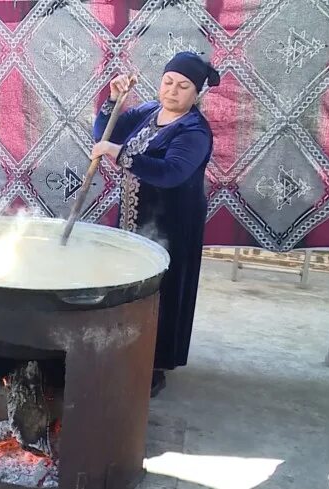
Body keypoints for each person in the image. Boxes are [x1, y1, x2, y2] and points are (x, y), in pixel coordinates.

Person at [91, 51, 220, 397]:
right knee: (129, 287)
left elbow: (171, 173)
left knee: (160, 291)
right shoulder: (148, 111)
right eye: (168, 82)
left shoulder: (194, 131)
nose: (172, 91)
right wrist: (113, 101)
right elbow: (104, 133)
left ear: (197, 93)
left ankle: (152, 367)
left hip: (172, 225)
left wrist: (119, 154)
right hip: (134, 218)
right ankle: (123, 351)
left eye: (183, 86)